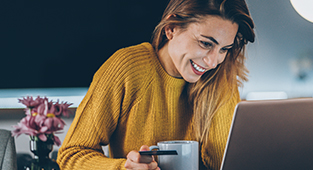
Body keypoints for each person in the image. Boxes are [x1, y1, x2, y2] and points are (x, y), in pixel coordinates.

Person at [56, 0, 255, 169]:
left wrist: (219, 87)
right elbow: (71, 155)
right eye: (205, 43)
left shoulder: (220, 76)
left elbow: (227, 163)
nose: (213, 62)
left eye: (224, 49)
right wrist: (122, 167)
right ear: (171, 29)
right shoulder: (127, 68)